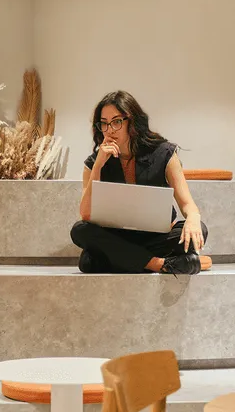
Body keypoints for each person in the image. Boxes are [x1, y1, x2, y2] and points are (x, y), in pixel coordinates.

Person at [70, 91, 207, 274]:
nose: (110, 129)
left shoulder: (164, 153)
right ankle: (160, 264)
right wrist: (98, 166)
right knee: (80, 231)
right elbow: (86, 215)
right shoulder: (95, 162)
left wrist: (193, 218)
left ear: (132, 121)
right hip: (117, 238)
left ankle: (128, 260)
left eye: (117, 121)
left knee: (199, 230)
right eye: (104, 123)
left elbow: (187, 204)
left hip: (156, 238)